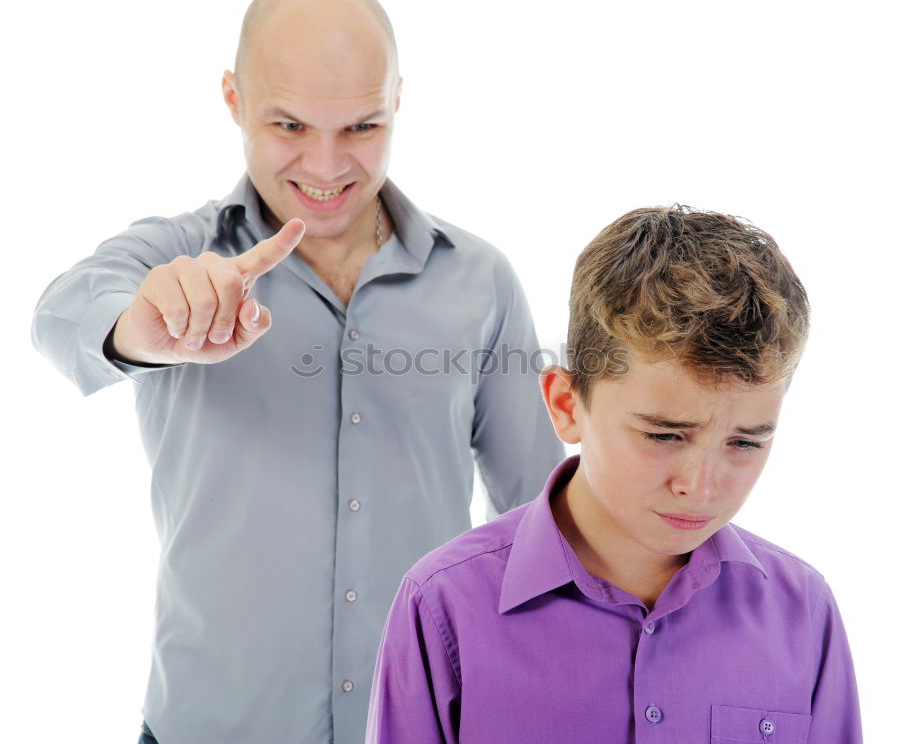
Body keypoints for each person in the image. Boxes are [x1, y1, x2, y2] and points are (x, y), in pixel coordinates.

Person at [30, 0, 564, 742]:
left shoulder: (480, 280)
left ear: (398, 102)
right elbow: (59, 314)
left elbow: (535, 524)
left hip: (421, 726)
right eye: (288, 123)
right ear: (233, 98)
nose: (326, 164)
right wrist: (140, 331)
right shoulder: (179, 257)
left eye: (362, 125)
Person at [366, 206, 863, 743]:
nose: (700, 486)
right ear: (565, 404)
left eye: (745, 443)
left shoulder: (804, 614)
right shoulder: (443, 607)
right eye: (664, 435)